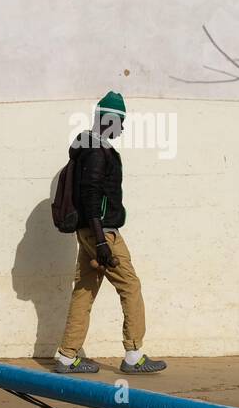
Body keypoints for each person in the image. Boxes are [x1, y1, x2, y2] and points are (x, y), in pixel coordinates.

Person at [55, 91, 166, 375]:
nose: (123, 128)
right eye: (121, 122)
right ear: (107, 120)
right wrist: (103, 241)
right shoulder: (96, 152)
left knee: (84, 290)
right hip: (102, 232)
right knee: (130, 285)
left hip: (88, 232)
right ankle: (133, 354)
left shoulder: (88, 147)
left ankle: (67, 356)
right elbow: (91, 197)